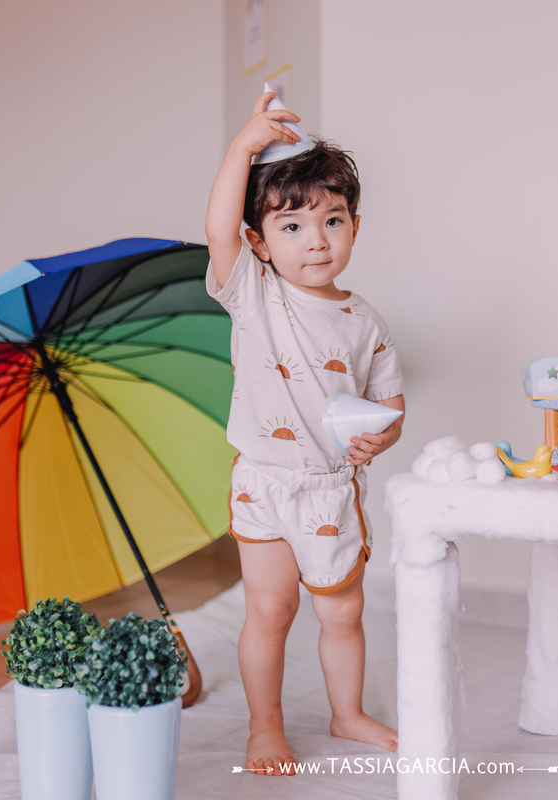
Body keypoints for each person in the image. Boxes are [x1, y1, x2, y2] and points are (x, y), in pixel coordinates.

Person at [205, 91, 404, 776]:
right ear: (258, 240)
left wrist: (383, 435)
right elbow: (218, 231)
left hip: (327, 491)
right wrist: (242, 148)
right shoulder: (252, 292)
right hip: (263, 483)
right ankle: (266, 727)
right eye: (291, 226)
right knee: (269, 609)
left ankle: (346, 714)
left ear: (354, 225)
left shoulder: (363, 320)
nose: (316, 239)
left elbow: (390, 400)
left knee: (342, 612)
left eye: (332, 219)